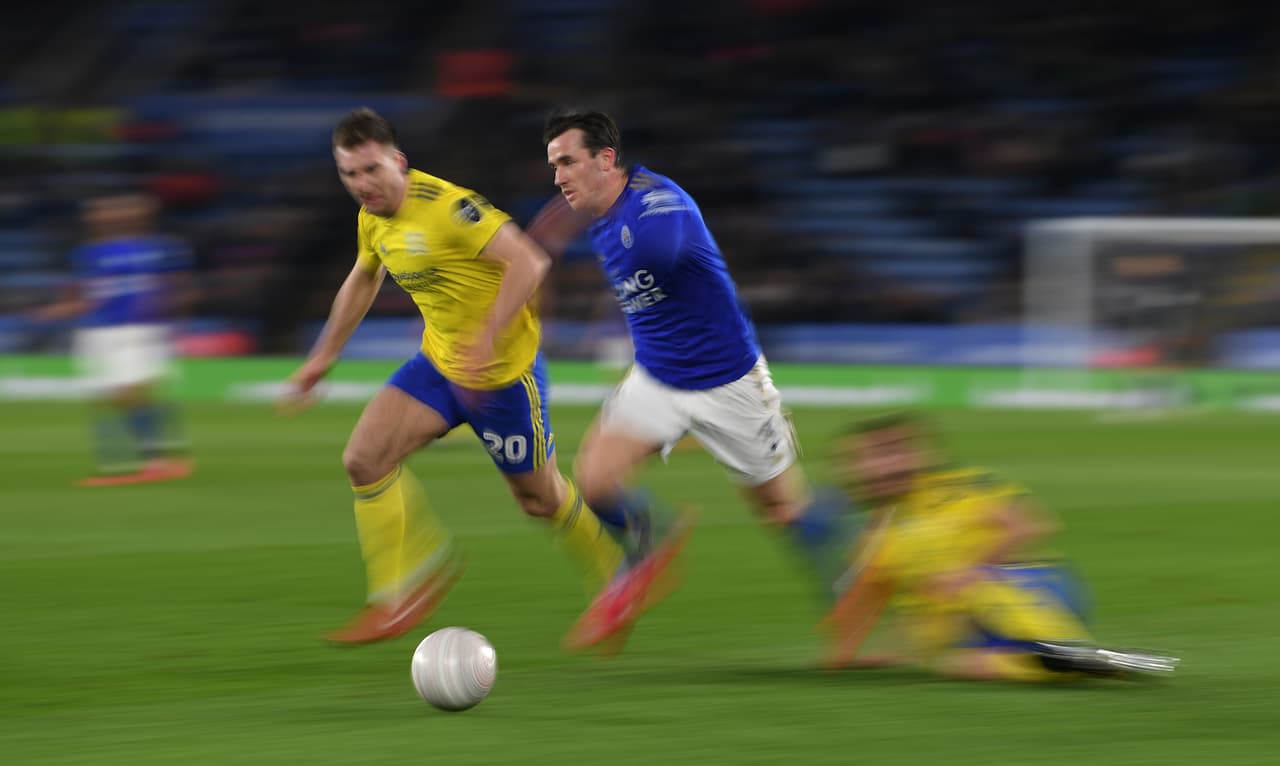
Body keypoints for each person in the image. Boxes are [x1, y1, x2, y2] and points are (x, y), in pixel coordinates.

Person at [281, 108, 684, 646]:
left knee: (538, 499)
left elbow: (529, 263)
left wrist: (487, 337)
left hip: (502, 378)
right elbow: (362, 278)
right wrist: (322, 357)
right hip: (439, 367)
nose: (362, 185)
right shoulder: (372, 218)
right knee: (363, 459)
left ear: (398, 162)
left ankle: (621, 571)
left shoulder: (451, 208)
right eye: (350, 174)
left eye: (372, 170)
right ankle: (402, 589)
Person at [536, 110, 856, 651]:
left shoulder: (659, 203)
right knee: (594, 480)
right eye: (553, 165)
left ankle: (852, 577)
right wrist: (551, 231)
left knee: (783, 510)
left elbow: (666, 244)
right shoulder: (597, 208)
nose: (558, 176)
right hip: (658, 378)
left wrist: (551, 239)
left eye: (567, 162)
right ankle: (649, 550)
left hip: (728, 381)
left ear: (605, 160)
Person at [823, 413, 1179, 681]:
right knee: (951, 664)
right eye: (868, 458)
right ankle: (1063, 664)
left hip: (1034, 591)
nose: (881, 466)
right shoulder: (876, 534)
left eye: (893, 453)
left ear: (919, 455)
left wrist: (971, 571)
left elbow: (1029, 524)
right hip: (965, 624)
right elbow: (878, 599)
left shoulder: (961, 487)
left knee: (975, 584)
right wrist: (852, 656)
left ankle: (1059, 645)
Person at [32, 191, 195, 486]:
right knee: (108, 397)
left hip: (138, 330)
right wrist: (58, 310)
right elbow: (84, 297)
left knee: (127, 392)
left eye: (112, 210)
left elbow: (180, 288)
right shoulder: (87, 254)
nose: (103, 216)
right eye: (97, 211)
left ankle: (156, 459)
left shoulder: (161, 248)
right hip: (97, 331)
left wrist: (171, 319)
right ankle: (155, 454)